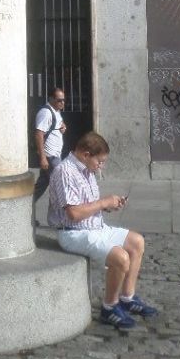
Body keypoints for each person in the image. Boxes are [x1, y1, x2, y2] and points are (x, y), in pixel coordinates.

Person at [48, 131, 158, 331]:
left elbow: (88, 205)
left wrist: (108, 205)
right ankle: (109, 307)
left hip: (95, 227)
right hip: (73, 232)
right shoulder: (65, 171)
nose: (101, 166)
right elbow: (73, 213)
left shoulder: (87, 170)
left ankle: (127, 297)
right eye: (100, 162)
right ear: (86, 154)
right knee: (121, 258)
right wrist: (103, 202)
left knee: (137, 242)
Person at [32, 87, 67, 213]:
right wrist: (43, 158)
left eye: (63, 100)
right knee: (59, 188)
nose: (62, 103)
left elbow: (57, 123)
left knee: (40, 187)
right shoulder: (45, 112)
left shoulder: (56, 111)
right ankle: (60, 219)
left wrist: (63, 126)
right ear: (51, 99)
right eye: (59, 100)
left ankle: (24, 211)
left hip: (54, 155)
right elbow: (39, 134)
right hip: (50, 157)